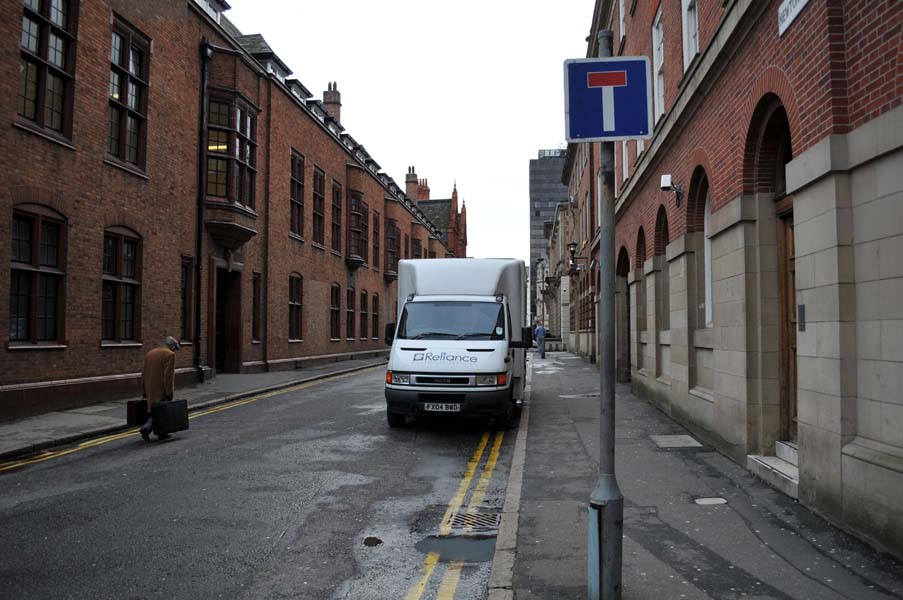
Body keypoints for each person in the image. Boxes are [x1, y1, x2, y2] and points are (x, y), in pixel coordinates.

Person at [140, 336, 180, 441]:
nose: (175, 350)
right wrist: (169, 392)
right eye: (175, 348)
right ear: (172, 346)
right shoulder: (170, 355)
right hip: (160, 387)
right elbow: (168, 376)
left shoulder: (150, 353)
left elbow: (143, 373)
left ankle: (161, 433)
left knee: (156, 410)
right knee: (161, 410)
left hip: (149, 387)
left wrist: (143, 390)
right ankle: (146, 428)